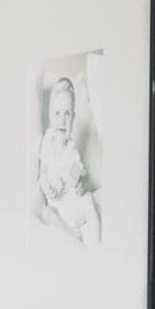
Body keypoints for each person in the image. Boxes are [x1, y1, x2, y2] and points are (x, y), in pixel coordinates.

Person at [35, 75, 100, 246]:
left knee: (88, 198)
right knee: (46, 213)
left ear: (73, 117)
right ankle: (71, 234)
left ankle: (95, 237)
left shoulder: (72, 149)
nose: (62, 120)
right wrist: (47, 186)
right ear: (49, 116)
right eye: (57, 113)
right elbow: (42, 174)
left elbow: (81, 173)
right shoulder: (47, 142)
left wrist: (80, 180)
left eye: (67, 114)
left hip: (73, 206)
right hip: (58, 206)